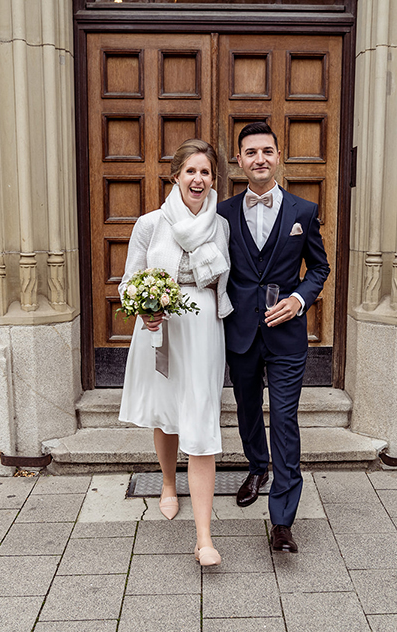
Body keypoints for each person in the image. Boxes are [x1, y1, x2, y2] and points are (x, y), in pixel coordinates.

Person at [118, 139, 233, 567]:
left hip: (204, 328)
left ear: (212, 179)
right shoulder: (150, 224)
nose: (198, 179)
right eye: (191, 172)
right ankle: (168, 483)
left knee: (201, 420)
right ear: (176, 176)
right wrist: (145, 308)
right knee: (167, 413)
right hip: (159, 329)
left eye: (206, 172)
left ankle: (204, 537)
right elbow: (129, 282)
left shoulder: (221, 225)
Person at [217, 122, 330, 553]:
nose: (259, 159)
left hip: (287, 337)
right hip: (241, 331)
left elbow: (319, 268)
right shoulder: (224, 212)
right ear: (241, 161)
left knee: (284, 419)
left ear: (279, 156)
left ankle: (282, 519)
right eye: (250, 152)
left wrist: (300, 300)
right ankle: (257, 466)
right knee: (247, 408)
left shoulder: (303, 211)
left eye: (267, 151)